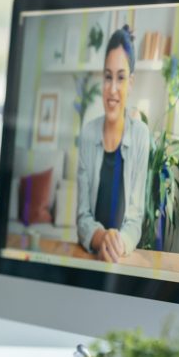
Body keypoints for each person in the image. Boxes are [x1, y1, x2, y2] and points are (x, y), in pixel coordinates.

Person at [76, 25, 150, 262]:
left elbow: (135, 219)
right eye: (108, 77)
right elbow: (83, 216)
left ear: (131, 82)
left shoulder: (140, 135)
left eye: (121, 78)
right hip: (91, 256)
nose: (113, 89)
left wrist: (118, 243)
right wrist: (101, 238)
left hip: (122, 258)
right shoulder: (88, 133)